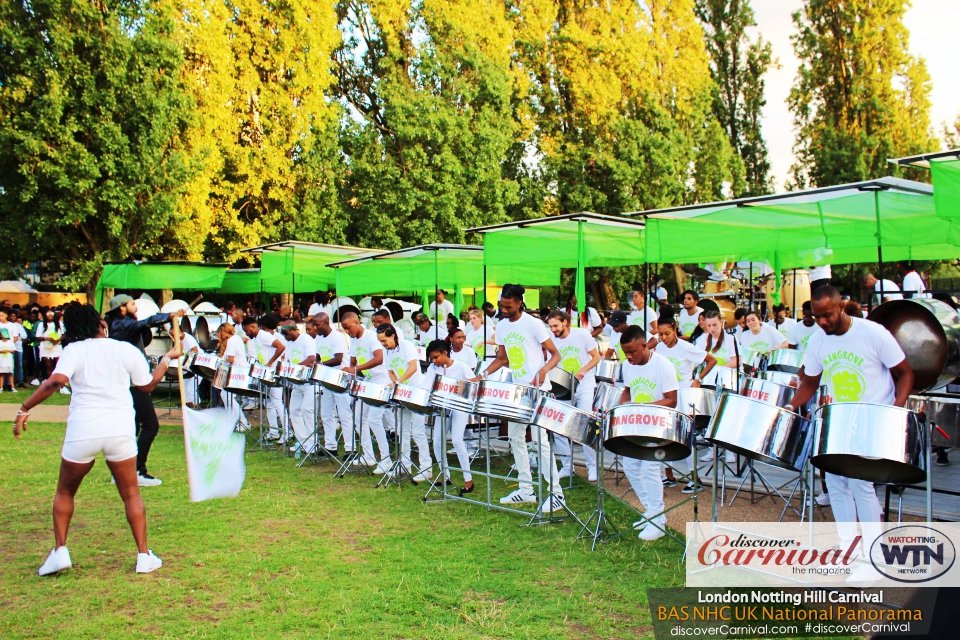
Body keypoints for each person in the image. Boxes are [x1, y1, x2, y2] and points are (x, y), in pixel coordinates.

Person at [14, 304, 180, 575]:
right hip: (120, 429)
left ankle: (60, 551)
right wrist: (167, 359)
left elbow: (56, 382)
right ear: (101, 325)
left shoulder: (73, 351)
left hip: (84, 429)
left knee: (65, 491)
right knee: (130, 493)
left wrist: (25, 407)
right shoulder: (125, 349)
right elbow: (147, 385)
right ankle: (143, 555)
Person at [785, 285, 913, 584]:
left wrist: (894, 411)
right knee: (836, 483)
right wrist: (789, 407)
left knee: (861, 485)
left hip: (873, 418)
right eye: (817, 317)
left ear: (841, 306)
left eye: (827, 315)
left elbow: (906, 372)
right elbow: (810, 383)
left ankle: (874, 558)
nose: (823, 322)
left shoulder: (873, 333)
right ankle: (849, 548)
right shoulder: (818, 340)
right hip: (840, 419)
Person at [479, 284, 565, 512]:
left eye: (508, 306)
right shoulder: (502, 325)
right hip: (517, 392)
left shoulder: (534, 324)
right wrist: (482, 374)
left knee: (540, 442)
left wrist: (543, 371)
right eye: (501, 306)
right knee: (516, 438)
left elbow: (556, 354)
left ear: (519, 302)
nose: (504, 310)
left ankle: (557, 494)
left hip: (538, 390)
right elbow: (503, 358)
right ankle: (526, 489)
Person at [105, 295, 187, 486]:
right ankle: (136, 471)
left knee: (132, 427)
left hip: (129, 383)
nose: (136, 307)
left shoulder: (123, 324)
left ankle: (121, 473)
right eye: (132, 304)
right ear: (122, 308)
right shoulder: (120, 324)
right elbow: (146, 323)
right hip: (134, 385)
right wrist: (169, 316)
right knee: (150, 425)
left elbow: (143, 329)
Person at [617, 325, 678, 541]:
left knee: (651, 468)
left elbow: (672, 399)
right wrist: (620, 408)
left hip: (657, 425)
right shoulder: (627, 364)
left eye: (633, 351)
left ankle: (658, 519)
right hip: (635, 425)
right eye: (626, 352)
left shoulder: (663, 366)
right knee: (630, 466)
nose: (629, 356)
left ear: (645, 345)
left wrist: (644, 408)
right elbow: (628, 390)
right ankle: (651, 511)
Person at [656, 316, 716, 489]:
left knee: (685, 437)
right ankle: (669, 476)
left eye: (667, 333)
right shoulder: (659, 348)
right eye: (661, 334)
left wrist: (698, 378)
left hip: (684, 394)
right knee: (665, 435)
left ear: (675, 330)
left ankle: (694, 479)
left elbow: (711, 360)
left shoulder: (686, 347)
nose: (664, 337)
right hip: (668, 394)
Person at [546, 311, 602, 481]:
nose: (553, 329)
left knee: (584, 424)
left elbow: (596, 357)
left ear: (566, 322)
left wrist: (583, 370)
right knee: (558, 427)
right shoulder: (552, 341)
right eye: (550, 326)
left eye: (556, 325)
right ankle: (567, 465)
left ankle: (592, 467)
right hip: (563, 386)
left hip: (584, 385)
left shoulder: (582, 334)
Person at [340, 312, 393, 473]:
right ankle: (368, 455)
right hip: (367, 382)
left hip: (381, 380)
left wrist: (355, 369)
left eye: (348, 327)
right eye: (344, 329)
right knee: (359, 418)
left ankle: (386, 460)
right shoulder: (354, 340)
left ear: (357, 322)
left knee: (374, 419)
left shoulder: (371, 337)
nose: (347, 331)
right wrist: (351, 374)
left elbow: (379, 358)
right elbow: (353, 361)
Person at [378, 323, 432, 480]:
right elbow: (390, 371)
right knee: (402, 431)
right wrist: (396, 383)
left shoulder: (407, 345)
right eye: (380, 341)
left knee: (418, 431)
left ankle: (426, 468)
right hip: (402, 393)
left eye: (384, 341)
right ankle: (404, 465)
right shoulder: (387, 352)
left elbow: (413, 367)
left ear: (393, 335)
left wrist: (399, 381)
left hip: (416, 392)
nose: (383, 344)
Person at [423, 339, 476, 493]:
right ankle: (445, 474)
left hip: (460, 406)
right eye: (432, 358)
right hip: (442, 407)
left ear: (445, 353)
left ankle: (469, 480)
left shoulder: (461, 366)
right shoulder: (433, 368)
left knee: (457, 440)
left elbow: (472, 384)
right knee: (438, 442)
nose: (434, 361)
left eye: (436, 357)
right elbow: (426, 386)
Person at [306, 314, 351, 458]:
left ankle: (350, 448)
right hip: (326, 379)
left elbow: (338, 359)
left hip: (339, 378)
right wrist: (316, 364)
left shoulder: (337, 337)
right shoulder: (318, 338)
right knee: (326, 414)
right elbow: (319, 356)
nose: (315, 328)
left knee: (344, 414)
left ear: (326, 323)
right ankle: (330, 447)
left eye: (318, 325)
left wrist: (319, 365)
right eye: (314, 325)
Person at [241, 315, 286, 441]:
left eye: (246, 331)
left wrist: (271, 362)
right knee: (269, 403)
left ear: (252, 326)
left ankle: (288, 433)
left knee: (277, 403)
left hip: (274, 373)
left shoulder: (263, 335)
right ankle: (274, 432)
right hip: (266, 374)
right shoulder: (256, 339)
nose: (246, 334)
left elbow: (281, 347)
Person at [277, 319, 318, 455]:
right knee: (294, 410)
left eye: (286, 333)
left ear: (294, 330)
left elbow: (311, 358)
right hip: (297, 382)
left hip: (308, 382)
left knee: (307, 410)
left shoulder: (306, 339)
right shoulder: (288, 343)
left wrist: (296, 367)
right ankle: (303, 442)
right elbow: (288, 360)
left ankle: (313, 443)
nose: (285, 337)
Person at [215, 323, 249, 428]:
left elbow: (230, 359)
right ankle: (236, 420)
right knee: (227, 396)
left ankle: (243, 422)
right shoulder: (237, 338)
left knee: (227, 396)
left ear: (224, 332)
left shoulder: (231, 340)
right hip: (239, 370)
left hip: (238, 371)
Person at [35, 308, 66, 386]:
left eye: (51, 313)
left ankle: (61, 384)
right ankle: (52, 383)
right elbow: (37, 337)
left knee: (59, 364)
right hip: (46, 347)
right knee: (49, 366)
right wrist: (47, 338)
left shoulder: (59, 323)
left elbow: (64, 334)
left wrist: (58, 340)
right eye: (48, 313)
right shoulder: (41, 324)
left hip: (57, 346)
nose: (50, 315)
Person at [180, 329, 201, 408]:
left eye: (173, 334)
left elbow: (195, 352)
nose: (172, 337)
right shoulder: (179, 340)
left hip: (197, 366)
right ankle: (195, 410)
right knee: (184, 390)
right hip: (188, 367)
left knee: (190, 390)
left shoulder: (188, 339)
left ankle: (194, 411)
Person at [0, 327, 13, 392]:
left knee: (10, 374)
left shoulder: (10, 342)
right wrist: (2, 351)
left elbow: (13, 351)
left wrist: (8, 350)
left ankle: (12, 387)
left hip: (9, 360)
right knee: (1, 374)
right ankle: (1, 388)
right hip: (2, 361)